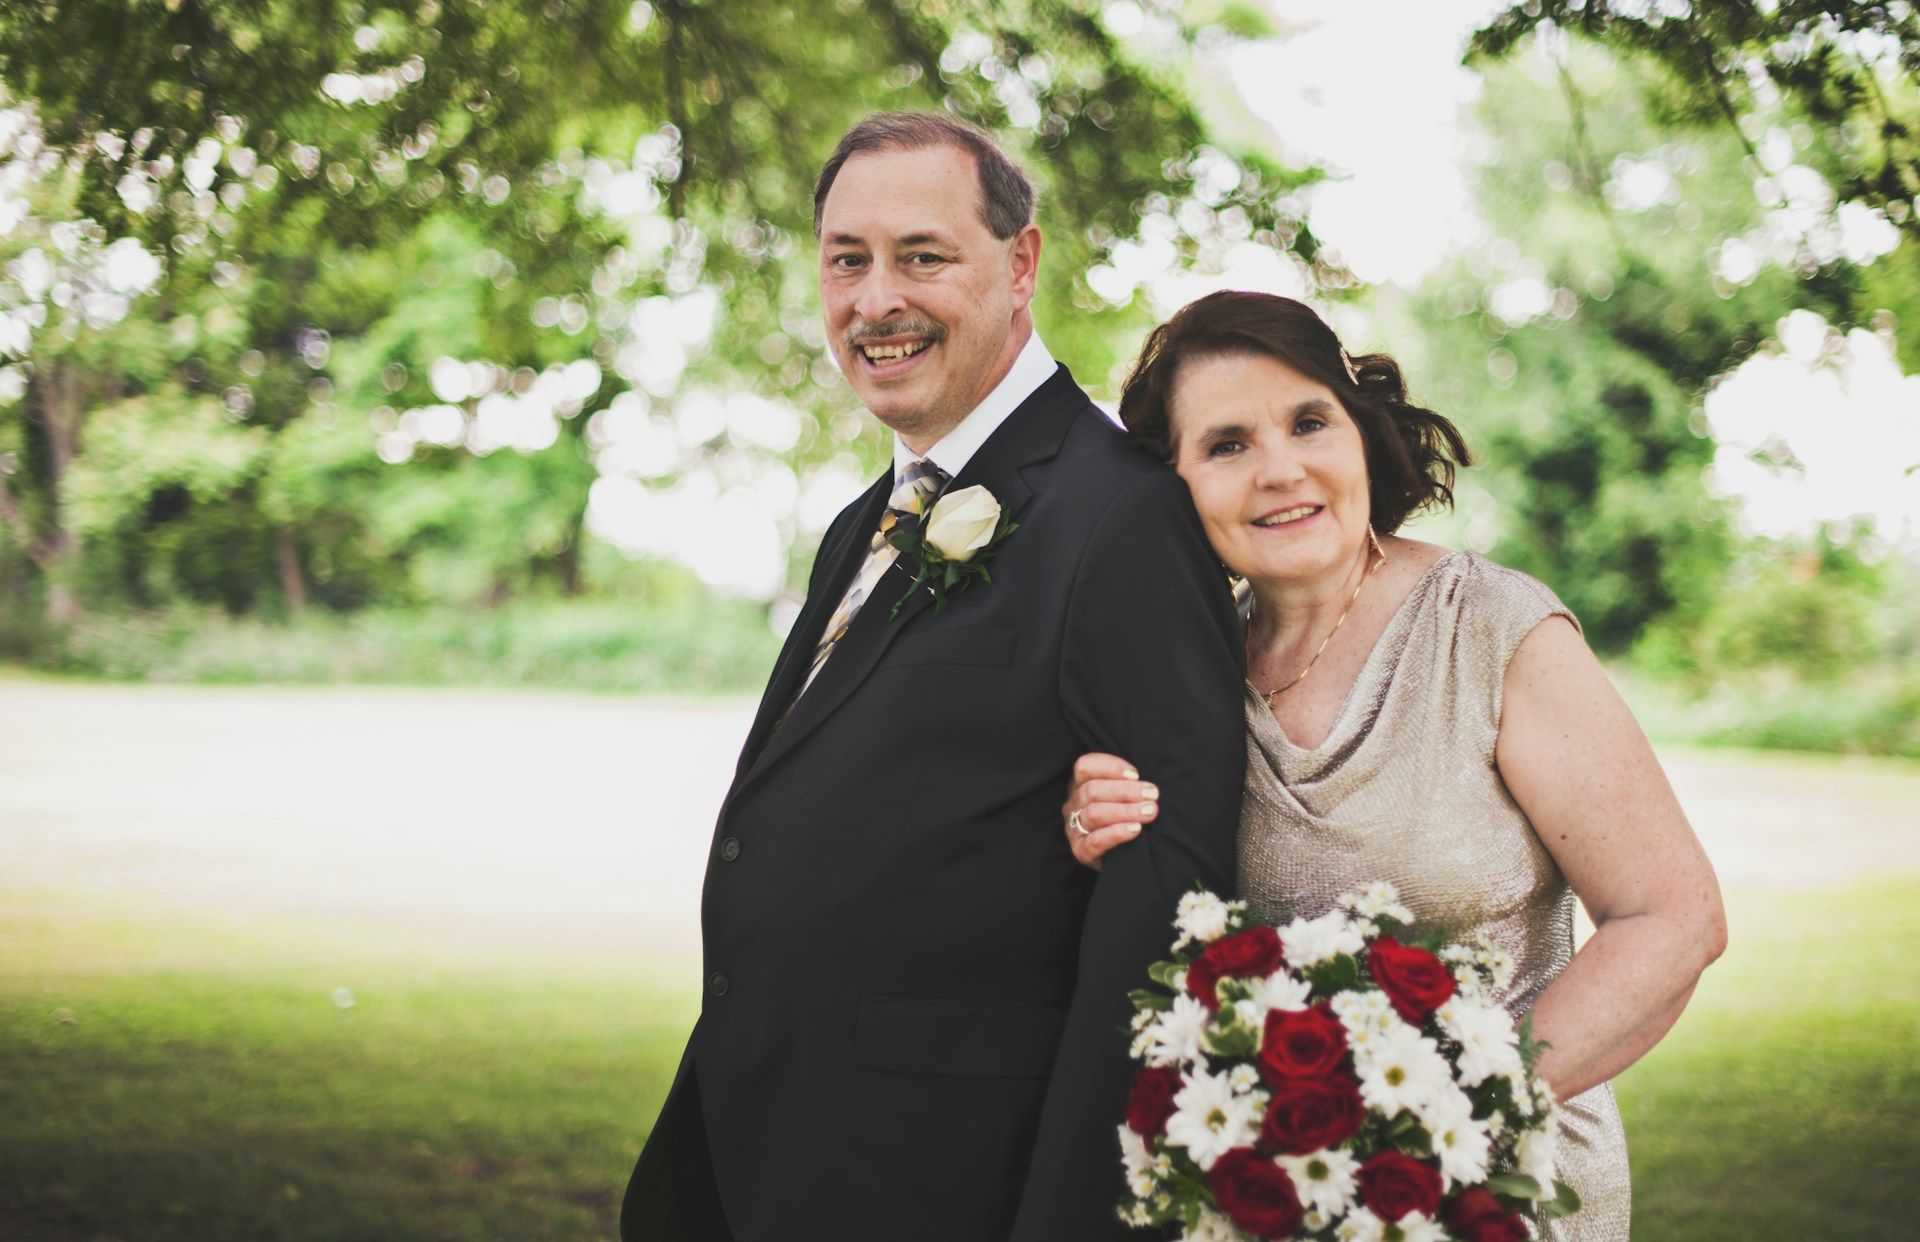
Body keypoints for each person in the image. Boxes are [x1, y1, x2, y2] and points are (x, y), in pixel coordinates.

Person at [620, 113, 1247, 1241]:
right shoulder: (867, 520)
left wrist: (1068, 1217)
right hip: (776, 1150)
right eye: (847, 260)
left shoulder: (1123, 515)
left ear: (1021, 266)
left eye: (922, 256)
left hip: (954, 1185)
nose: (875, 301)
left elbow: (1168, 899)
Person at [1059, 291, 1728, 1238]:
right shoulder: (1180, 676)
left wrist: (1440, 1113)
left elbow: (1673, 917)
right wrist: (1096, 834)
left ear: (1363, 435)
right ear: (1172, 488)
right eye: (1227, 445)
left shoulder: (1493, 628)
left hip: (1503, 1194)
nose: (1279, 470)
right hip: (1272, 1203)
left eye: (1308, 422)